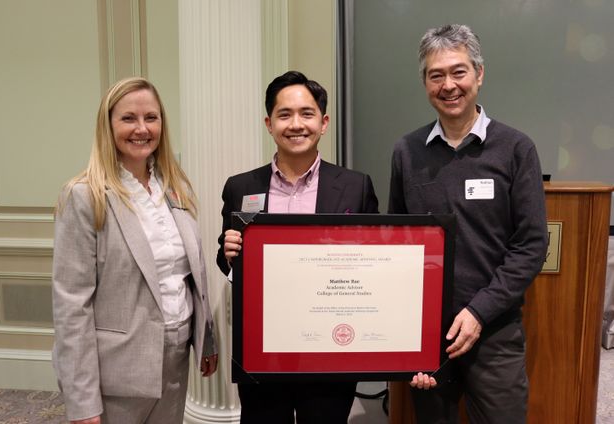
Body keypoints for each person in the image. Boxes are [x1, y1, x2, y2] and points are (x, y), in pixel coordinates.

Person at [388, 24, 548, 423]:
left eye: (458, 71)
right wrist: (410, 337)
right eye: (435, 75)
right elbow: (396, 245)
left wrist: (478, 313)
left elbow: (530, 246)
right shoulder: (406, 152)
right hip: (428, 336)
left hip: (494, 331)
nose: (448, 85)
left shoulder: (516, 149)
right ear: (425, 82)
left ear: (479, 74)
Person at [52, 77, 218, 424]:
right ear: (108, 125)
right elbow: (72, 306)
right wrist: (83, 403)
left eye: (151, 118)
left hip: (175, 357)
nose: (141, 129)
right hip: (118, 372)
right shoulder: (85, 196)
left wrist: (206, 338)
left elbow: (188, 275)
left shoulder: (174, 187)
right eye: (128, 118)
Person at [216, 71, 379, 424]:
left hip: (330, 347)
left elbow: (375, 264)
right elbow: (225, 260)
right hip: (263, 346)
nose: (296, 124)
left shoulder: (355, 186)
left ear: (324, 123)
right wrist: (229, 252)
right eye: (284, 114)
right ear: (269, 123)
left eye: (306, 114)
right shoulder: (241, 187)